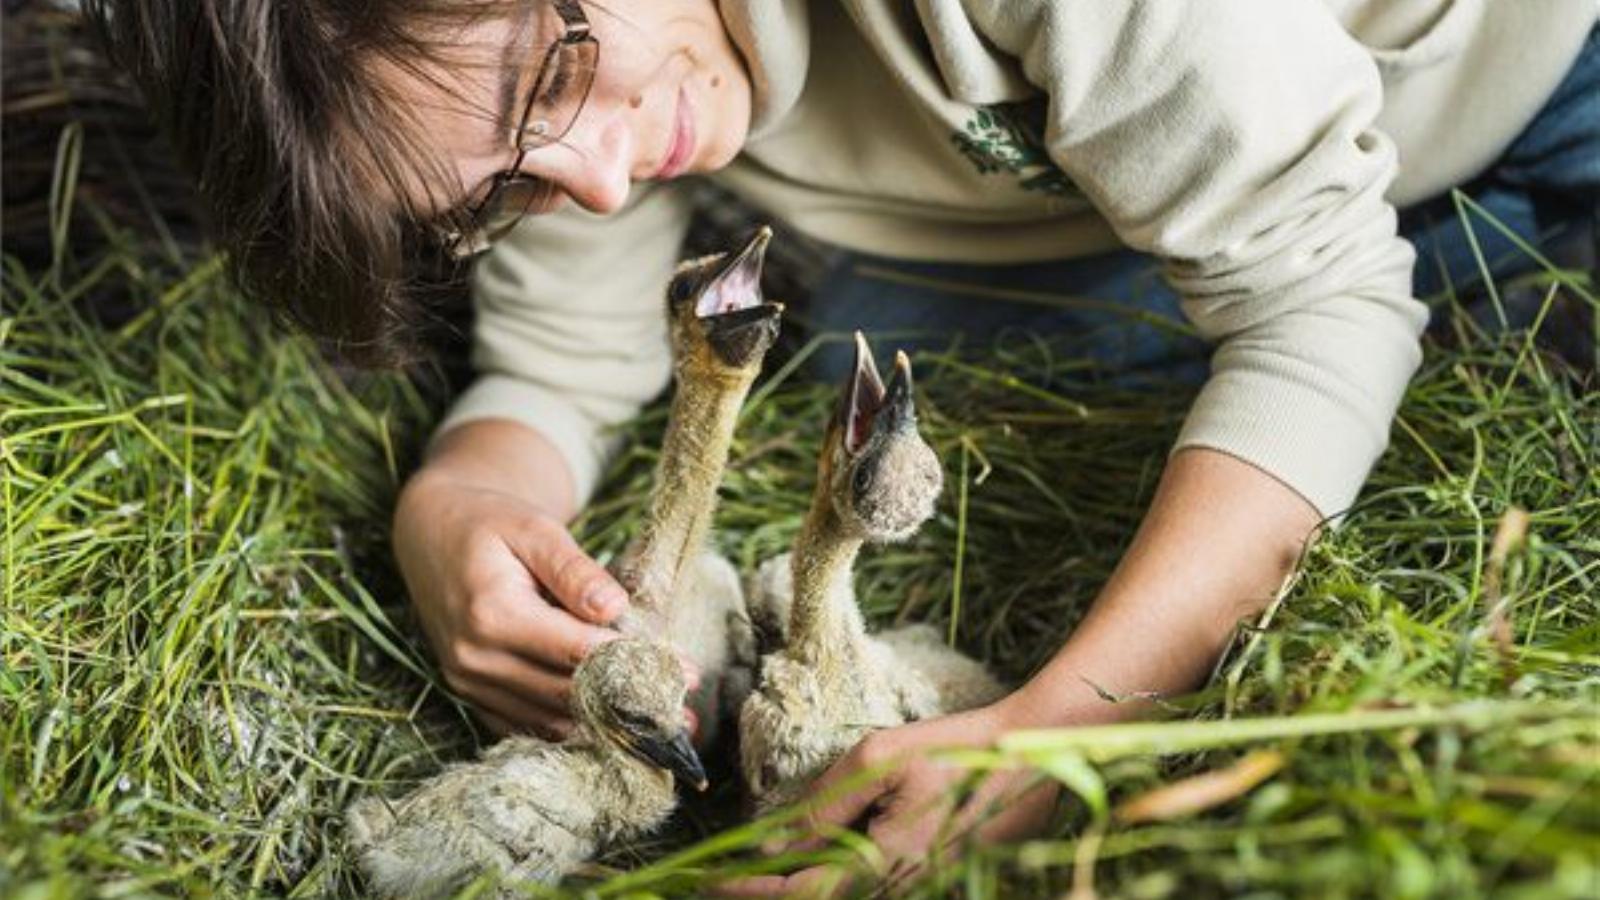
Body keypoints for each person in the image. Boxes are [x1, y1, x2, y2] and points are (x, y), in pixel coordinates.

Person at [89, 0, 1598, 892]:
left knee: (1412, 346)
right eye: (499, 193)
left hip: (1524, 74)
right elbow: (557, 358)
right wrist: (461, 496)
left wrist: (1059, 726)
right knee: (885, 323)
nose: (603, 181)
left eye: (550, 83)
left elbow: (1318, 302)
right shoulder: (621, 93)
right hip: (1132, 181)